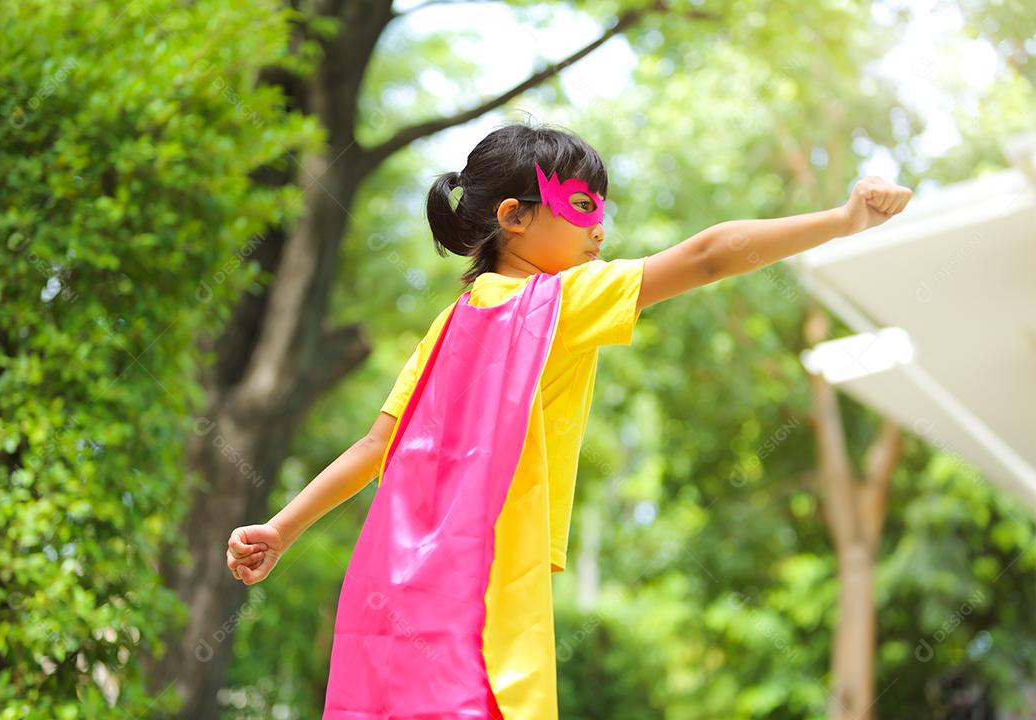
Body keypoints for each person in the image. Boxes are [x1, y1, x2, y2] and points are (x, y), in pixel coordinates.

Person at [225, 122, 912, 717]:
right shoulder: (561, 300)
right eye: (580, 205)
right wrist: (840, 220)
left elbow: (376, 445)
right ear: (515, 217)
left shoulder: (452, 321)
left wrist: (282, 528)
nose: (598, 226)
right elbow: (708, 255)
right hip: (485, 587)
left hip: (389, 588)